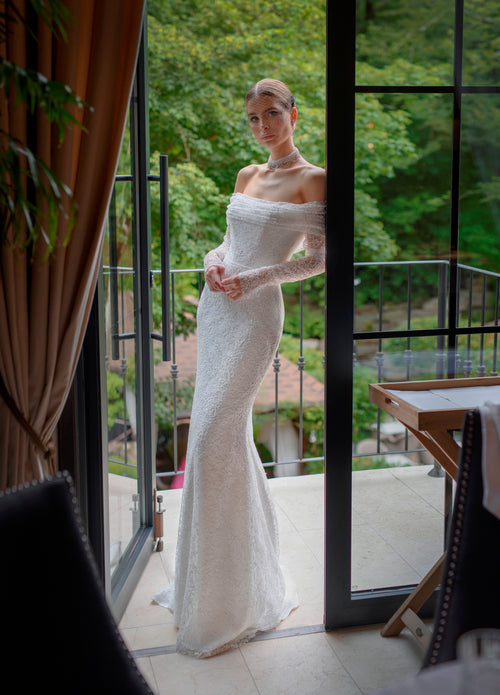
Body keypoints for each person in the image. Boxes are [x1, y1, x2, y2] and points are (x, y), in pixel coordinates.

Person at [153, 78, 326, 658]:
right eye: (253, 117)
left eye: (271, 114)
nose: (261, 126)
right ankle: (218, 586)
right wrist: (214, 260)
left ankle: (236, 597)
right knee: (221, 441)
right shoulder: (246, 175)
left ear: (293, 115)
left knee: (209, 437)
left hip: (256, 317)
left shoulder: (313, 180)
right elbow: (229, 241)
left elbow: (317, 262)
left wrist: (255, 277)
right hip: (218, 310)